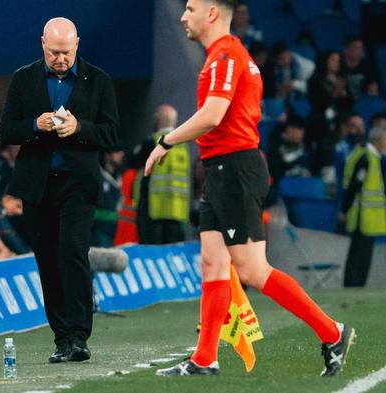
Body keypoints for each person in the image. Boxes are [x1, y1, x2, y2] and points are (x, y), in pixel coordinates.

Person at [146, 0, 354, 378]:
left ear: (212, 13)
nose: (182, 15)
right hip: (221, 170)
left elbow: (213, 115)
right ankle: (205, 358)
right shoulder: (222, 55)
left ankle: (332, 332)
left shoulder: (226, 55)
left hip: (236, 169)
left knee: (253, 269)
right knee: (212, 261)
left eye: (190, 8)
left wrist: (165, 141)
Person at [0, 17, 119, 363]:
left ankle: (79, 336)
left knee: (72, 250)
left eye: (66, 52)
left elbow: (112, 134)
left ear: (77, 44)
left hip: (77, 185)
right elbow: (6, 131)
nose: (61, 59)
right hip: (37, 187)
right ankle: (61, 338)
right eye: (54, 53)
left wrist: (80, 128)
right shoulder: (23, 78)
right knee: (48, 260)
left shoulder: (98, 80)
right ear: (42, 45)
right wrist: (34, 127)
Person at [339, 126, 386, 287]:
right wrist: (344, 210)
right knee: (360, 253)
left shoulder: (372, 158)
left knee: (361, 252)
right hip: (362, 215)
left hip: (368, 216)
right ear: (377, 140)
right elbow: (354, 185)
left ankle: (355, 284)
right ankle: (354, 284)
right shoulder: (366, 158)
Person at [137, 104, 191, 244]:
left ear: (157, 120)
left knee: (152, 250)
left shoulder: (153, 141)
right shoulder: (183, 145)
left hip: (154, 208)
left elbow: (133, 161)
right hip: (176, 210)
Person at [91, 150, 124, 247]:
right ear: (107, 156)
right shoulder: (97, 177)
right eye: (117, 151)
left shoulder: (119, 179)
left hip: (112, 232)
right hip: (97, 232)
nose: (122, 154)